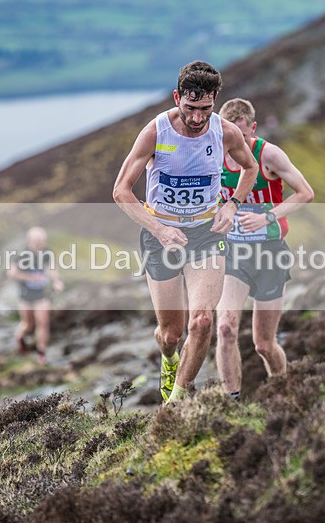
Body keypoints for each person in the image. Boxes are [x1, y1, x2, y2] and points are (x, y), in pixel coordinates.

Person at [113, 61, 259, 403]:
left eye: (205, 109)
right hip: (160, 237)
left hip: (205, 235)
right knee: (171, 335)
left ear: (215, 100)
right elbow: (121, 191)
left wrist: (232, 204)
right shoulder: (155, 132)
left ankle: (176, 401)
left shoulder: (225, 132)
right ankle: (168, 361)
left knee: (203, 321)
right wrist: (160, 229)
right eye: (190, 108)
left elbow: (250, 168)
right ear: (177, 97)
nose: (197, 118)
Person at [215, 98, 315, 399]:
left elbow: (306, 193)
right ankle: (232, 404)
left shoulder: (268, 154)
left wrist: (266, 217)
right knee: (226, 329)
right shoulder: (212, 155)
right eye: (229, 136)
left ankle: (283, 393)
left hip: (270, 253)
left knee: (263, 345)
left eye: (243, 136)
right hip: (233, 254)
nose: (236, 143)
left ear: (253, 129)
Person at [7, 226, 64, 365]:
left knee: (43, 323)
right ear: (30, 240)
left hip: (41, 294)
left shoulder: (46, 253)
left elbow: (52, 268)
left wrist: (56, 281)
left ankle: (41, 354)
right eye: (36, 240)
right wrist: (30, 278)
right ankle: (19, 337)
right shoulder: (22, 255)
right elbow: (11, 274)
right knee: (28, 324)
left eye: (42, 240)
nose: (39, 243)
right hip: (25, 295)